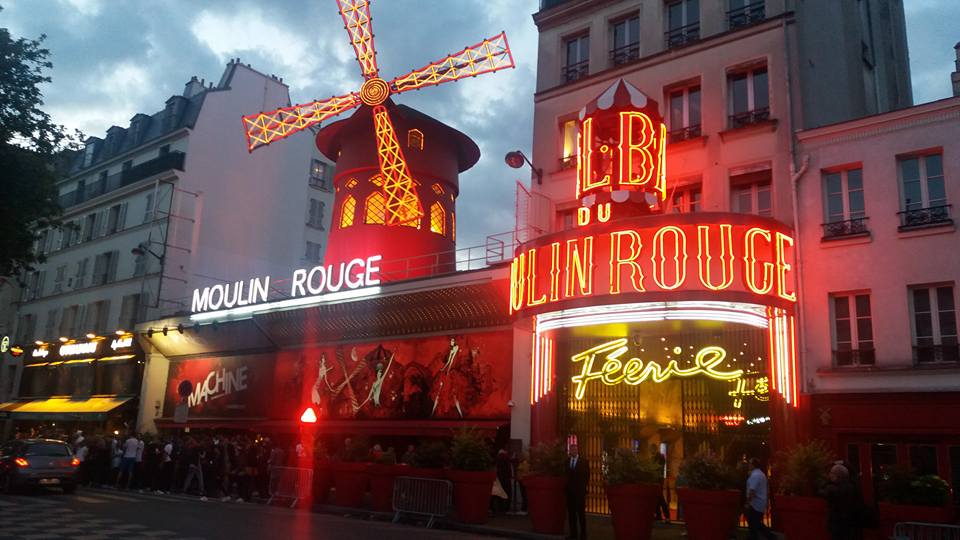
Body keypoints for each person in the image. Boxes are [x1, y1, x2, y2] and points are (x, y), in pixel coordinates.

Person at [825, 463, 862, 540]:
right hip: (851, 525)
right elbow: (854, 475)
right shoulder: (852, 486)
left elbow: (821, 490)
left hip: (839, 525)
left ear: (838, 476)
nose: (830, 475)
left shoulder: (833, 489)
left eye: (832, 473)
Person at [744, 458, 775, 540]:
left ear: (753, 465)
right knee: (755, 522)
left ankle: (768, 536)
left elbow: (752, 490)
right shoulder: (761, 474)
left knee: (753, 521)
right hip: (760, 502)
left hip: (755, 503)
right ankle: (760, 536)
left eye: (750, 463)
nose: (748, 465)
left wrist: (748, 502)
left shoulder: (755, 475)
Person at [565, 444, 589, 540]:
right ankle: (573, 534)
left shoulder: (584, 462)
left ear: (577, 450)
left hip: (579, 493)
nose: (573, 451)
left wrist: (582, 488)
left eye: (575, 449)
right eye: (572, 450)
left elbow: (587, 476)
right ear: (570, 451)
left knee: (581, 515)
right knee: (571, 515)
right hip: (570, 493)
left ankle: (583, 535)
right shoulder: (567, 462)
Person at [651, 445, 670, 522]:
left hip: (658, 480)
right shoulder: (656, 457)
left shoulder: (660, 457)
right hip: (657, 480)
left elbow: (659, 468)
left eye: (651, 450)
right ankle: (659, 515)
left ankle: (666, 515)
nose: (651, 452)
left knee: (660, 497)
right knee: (658, 497)